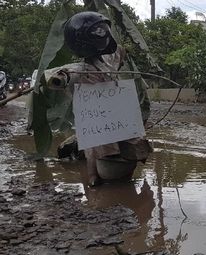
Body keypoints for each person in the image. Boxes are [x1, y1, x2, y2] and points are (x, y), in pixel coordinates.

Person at [50, 11, 151, 185]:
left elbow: (120, 53)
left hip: (116, 116)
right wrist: (60, 78)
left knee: (138, 146)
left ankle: (110, 181)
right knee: (94, 152)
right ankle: (93, 181)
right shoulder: (76, 70)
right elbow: (53, 78)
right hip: (95, 122)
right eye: (98, 33)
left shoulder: (110, 58)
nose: (103, 35)